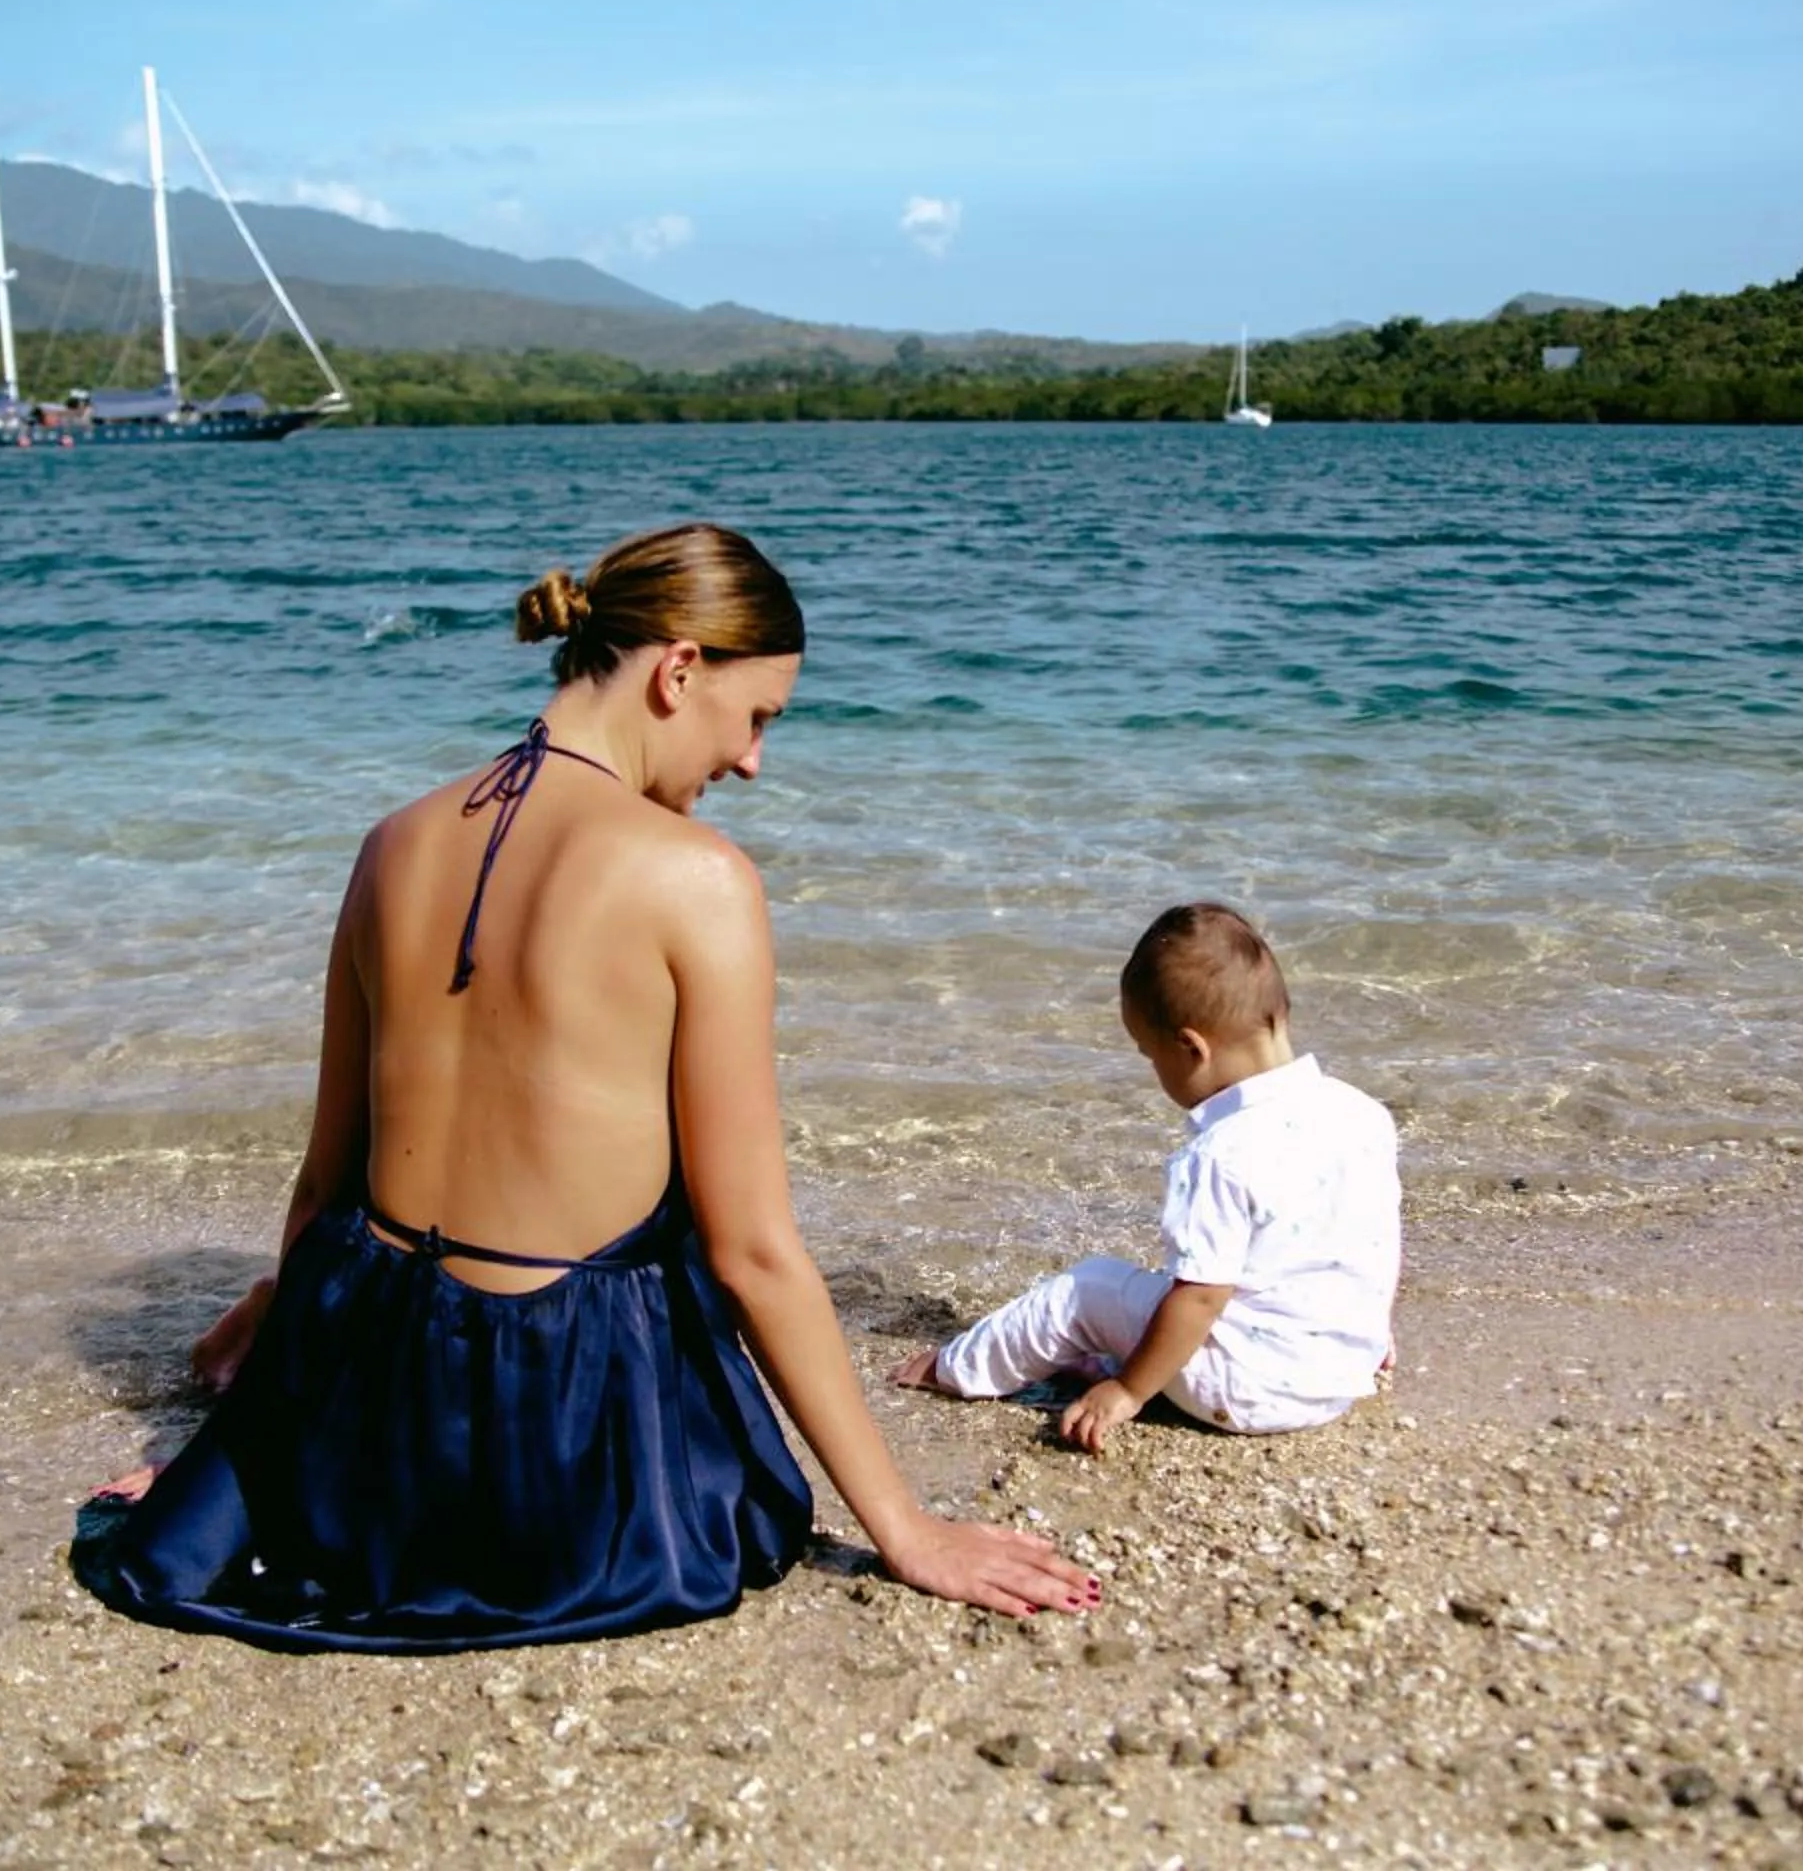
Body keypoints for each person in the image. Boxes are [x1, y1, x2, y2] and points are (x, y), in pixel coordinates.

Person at [76, 523, 1098, 1651]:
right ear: (677, 670)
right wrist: (906, 1528)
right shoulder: (696, 879)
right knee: (669, 1226)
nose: (752, 762)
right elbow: (750, 1251)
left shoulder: (392, 840)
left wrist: (274, 1414)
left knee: (386, 1223)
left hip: (369, 1390)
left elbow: (328, 1180)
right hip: (548, 1442)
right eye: (757, 718)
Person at [892, 903, 1400, 1455]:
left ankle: (957, 1369)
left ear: (1190, 1048)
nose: (1154, 1071)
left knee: (1088, 1290)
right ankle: (1112, 1356)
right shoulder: (1362, 1114)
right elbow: (1364, 1243)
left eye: (1149, 1055)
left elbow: (1202, 1298)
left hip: (1246, 1390)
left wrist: (1129, 1391)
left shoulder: (1220, 1153)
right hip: (1340, 1373)